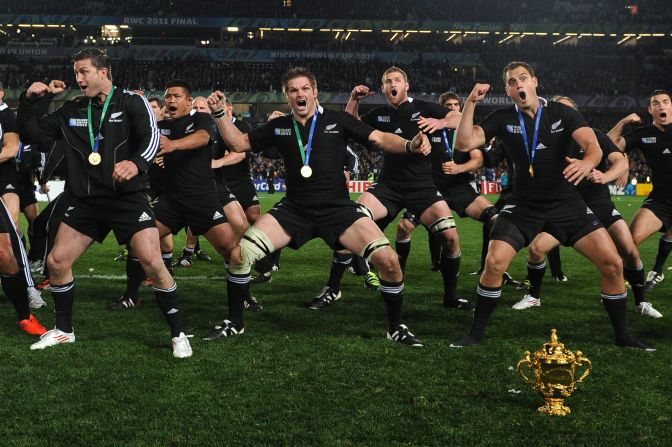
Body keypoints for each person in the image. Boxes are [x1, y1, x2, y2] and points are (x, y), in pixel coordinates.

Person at [205, 66, 430, 346]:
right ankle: (235, 323)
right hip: (294, 209)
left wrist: (410, 144)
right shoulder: (279, 126)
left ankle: (395, 327)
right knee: (239, 257)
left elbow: (380, 139)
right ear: (287, 97)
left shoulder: (338, 120)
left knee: (389, 261)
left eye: (304, 89)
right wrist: (218, 115)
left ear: (314, 92)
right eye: (293, 90)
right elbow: (238, 143)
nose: (299, 94)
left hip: (337, 208)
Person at [450, 61, 652, 350]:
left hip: (566, 203)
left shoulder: (561, 113)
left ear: (535, 82)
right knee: (494, 263)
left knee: (612, 264)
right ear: (508, 90)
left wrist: (586, 162)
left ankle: (623, 336)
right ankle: (475, 334)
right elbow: (463, 143)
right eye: (511, 82)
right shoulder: (503, 117)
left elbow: (593, 146)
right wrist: (470, 102)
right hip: (523, 204)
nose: (518, 85)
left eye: (523, 78)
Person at [17, 49, 192, 358]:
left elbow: (151, 138)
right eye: (76, 73)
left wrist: (136, 164)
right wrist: (33, 99)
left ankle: (178, 334)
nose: (78, 78)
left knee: (153, 262)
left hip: (127, 198)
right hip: (87, 201)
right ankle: (64, 331)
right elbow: (32, 132)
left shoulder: (131, 103)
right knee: (57, 262)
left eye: (84, 72)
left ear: (104, 72)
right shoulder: (73, 109)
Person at [312, 67, 469, 310]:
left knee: (450, 238)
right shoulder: (379, 114)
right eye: (388, 81)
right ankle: (333, 289)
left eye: (397, 80)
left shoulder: (425, 107)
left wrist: (440, 122)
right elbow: (351, 126)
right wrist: (354, 100)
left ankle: (451, 295)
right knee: (349, 223)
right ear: (384, 88)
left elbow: (458, 118)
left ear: (407, 85)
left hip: (422, 186)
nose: (392, 84)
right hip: (388, 185)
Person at [512, 95, 662, 319]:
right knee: (536, 249)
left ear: (575, 114)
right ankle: (534, 296)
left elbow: (620, 160)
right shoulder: (543, 141)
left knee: (630, 250)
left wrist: (605, 176)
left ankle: (641, 301)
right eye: (557, 108)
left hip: (599, 204)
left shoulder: (594, 137)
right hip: (567, 208)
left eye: (567, 109)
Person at [608, 90, 672, 291]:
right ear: (650, 110)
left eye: (665, 102)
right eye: (656, 103)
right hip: (660, 201)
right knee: (629, 243)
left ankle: (657, 271)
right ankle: (617, 288)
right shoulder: (643, 134)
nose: (661, 106)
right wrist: (623, 124)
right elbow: (608, 146)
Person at [0, 82, 47, 336]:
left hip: (7, 180)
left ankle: (26, 306)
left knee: (7, 250)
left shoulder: (7, 115)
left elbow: (11, 147)